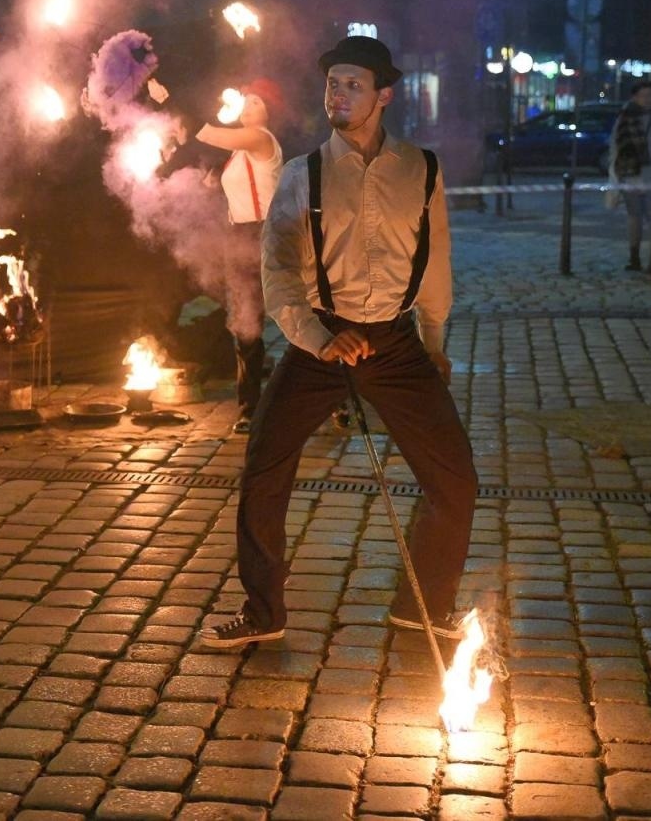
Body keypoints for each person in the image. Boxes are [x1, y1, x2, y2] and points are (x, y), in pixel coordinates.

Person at [200, 36, 477, 649]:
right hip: (319, 342)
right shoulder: (302, 176)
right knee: (265, 467)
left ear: (383, 95)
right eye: (332, 85)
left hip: (397, 345)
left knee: (455, 480)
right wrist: (320, 338)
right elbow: (278, 277)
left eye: (352, 85)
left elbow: (435, 263)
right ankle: (264, 610)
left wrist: (433, 338)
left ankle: (424, 607)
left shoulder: (422, 169)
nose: (338, 95)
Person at [194, 79, 283, 434]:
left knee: (298, 317)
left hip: (267, 233)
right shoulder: (237, 153)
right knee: (246, 324)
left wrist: (181, 106)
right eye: (245, 102)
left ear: (267, 113)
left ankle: (334, 398)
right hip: (240, 237)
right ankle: (249, 407)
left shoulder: (261, 138)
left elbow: (210, 134)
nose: (248, 105)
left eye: (257, 102)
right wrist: (213, 180)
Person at [608, 79, 651, 273]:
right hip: (630, 173)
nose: (647, 99)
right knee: (633, 216)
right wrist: (616, 168)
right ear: (634, 97)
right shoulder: (624, 116)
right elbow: (615, 142)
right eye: (642, 96)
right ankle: (634, 258)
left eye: (650, 95)